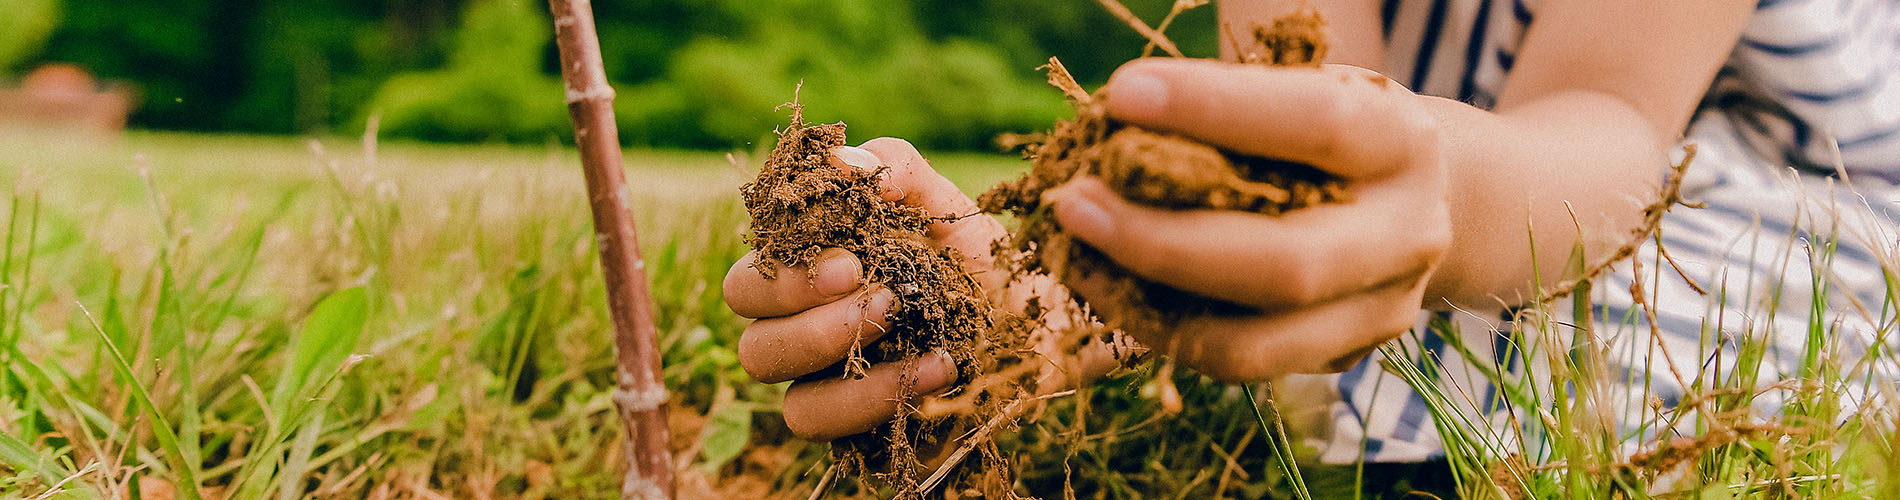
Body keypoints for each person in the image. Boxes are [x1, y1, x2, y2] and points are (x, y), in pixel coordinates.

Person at [723, 0, 1900, 473]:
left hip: (1752, 169)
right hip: (1450, 160)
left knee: (1606, 363)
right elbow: (1291, 142)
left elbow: (1608, 137)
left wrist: (1429, 200)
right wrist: (1050, 294)